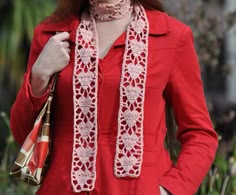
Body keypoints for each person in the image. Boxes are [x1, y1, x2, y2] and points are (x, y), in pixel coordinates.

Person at [10, 0, 218, 194]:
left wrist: (171, 189)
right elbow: (22, 134)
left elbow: (200, 134)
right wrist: (38, 77)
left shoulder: (172, 35)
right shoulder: (51, 35)